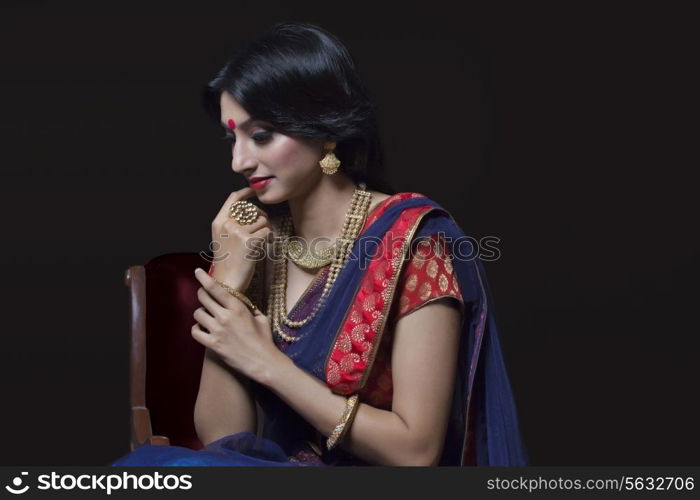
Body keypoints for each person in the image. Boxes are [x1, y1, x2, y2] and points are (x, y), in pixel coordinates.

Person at [111, 22, 526, 466]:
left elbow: (416, 452)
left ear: (325, 129)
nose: (239, 161)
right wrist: (228, 282)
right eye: (233, 139)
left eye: (261, 135)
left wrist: (269, 365)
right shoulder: (258, 245)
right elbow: (225, 444)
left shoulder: (414, 242)